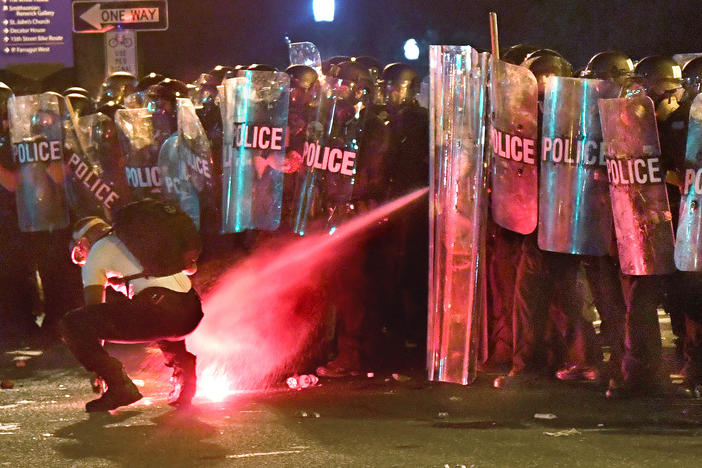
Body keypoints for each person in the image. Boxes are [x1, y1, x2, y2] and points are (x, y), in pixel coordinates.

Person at [59, 216, 203, 412]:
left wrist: (98, 365)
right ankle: (184, 374)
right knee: (158, 309)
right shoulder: (137, 241)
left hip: (162, 312)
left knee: (73, 323)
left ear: (83, 242)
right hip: (191, 310)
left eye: (80, 253)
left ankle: (119, 386)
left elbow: (92, 312)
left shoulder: (98, 251)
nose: (83, 259)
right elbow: (186, 271)